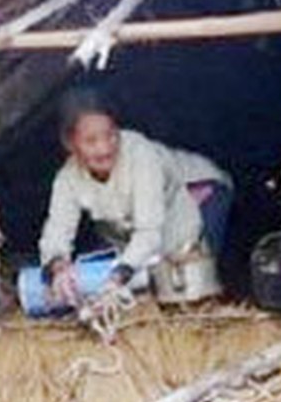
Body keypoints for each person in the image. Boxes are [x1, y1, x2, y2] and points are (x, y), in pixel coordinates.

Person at [39, 87, 232, 305]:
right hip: (130, 227)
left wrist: (118, 276)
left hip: (195, 192)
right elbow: (57, 231)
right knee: (107, 279)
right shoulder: (67, 178)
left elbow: (148, 232)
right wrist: (58, 267)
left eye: (110, 135)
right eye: (91, 141)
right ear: (70, 143)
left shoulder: (141, 155)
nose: (104, 148)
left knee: (187, 285)